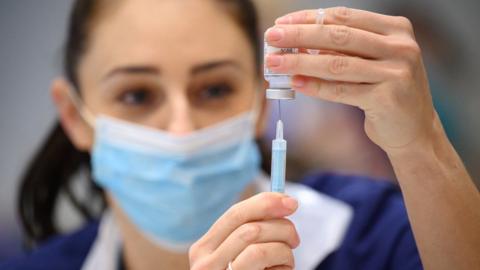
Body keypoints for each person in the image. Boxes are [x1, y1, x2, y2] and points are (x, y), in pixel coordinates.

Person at [2, 0, 479, 269]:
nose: (182, 131)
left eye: (214, 88)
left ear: (259, 102)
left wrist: (423, 141)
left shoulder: (379, 236)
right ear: (76, 116)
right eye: (136, 96)